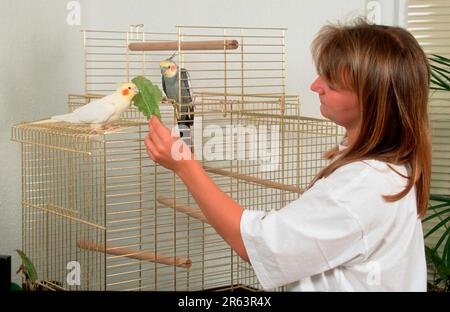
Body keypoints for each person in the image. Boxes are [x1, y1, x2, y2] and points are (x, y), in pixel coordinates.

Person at [144, 19, 431, 291]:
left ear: (370, 101)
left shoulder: (362, 186)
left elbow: (256, 244)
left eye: (330, 83)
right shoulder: (394, 165)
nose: (314, 86)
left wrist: (185, 166)